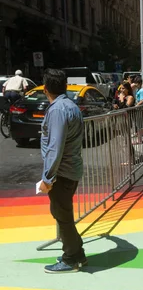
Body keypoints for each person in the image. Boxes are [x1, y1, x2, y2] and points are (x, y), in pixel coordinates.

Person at [38, 69, 87, 273]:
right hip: (69, 169)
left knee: (62, 215)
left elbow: (55, 147)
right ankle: (77, 254)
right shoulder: (70, 105)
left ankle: (70, 259)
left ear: (45, 88)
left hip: (62, 173)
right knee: (62, 213)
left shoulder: (58, 110)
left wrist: (48, 177)